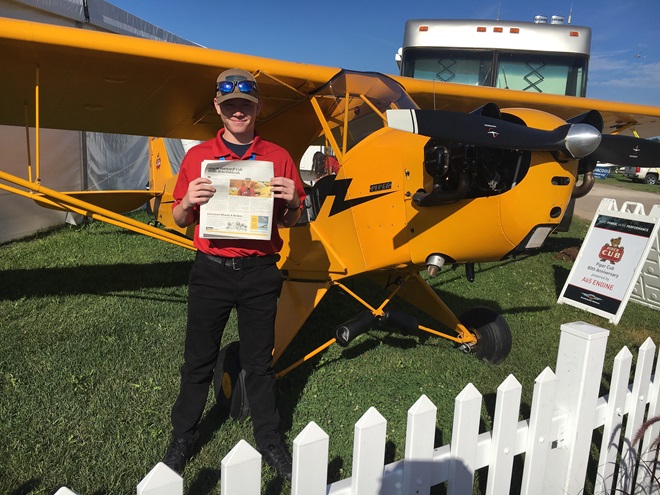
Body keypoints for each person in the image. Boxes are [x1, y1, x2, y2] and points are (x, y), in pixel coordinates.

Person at [162, 68, 305, 481]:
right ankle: (184, 435)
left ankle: (269, 438)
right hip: (211, 270)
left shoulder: (277, 157)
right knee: (198, 361)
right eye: (229, 106)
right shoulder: (197, 159)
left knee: (259, 363)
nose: (237, 112)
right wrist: (187, 201)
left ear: (258, 107)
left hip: (260, 272)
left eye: (245, 105)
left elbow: (292, 221)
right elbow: (178, 219)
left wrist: (296, 201)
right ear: (218, 109)